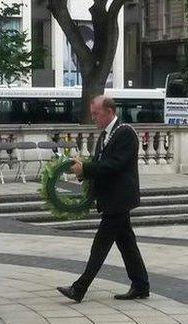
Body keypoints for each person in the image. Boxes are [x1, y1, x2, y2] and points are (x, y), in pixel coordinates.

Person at [57, 96, 150, 303]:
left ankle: (79, 289)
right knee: (127, 244)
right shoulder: (106, 135)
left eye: (96, 113)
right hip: (112, 199)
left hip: (119, 199)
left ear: (109, 111)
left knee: (100, 245)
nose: (93, 117)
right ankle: (141, 285)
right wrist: (83, 170)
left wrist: (86, 168)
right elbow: (102, 164)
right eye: (92, 113)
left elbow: (114, 165)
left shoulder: (125, 133)